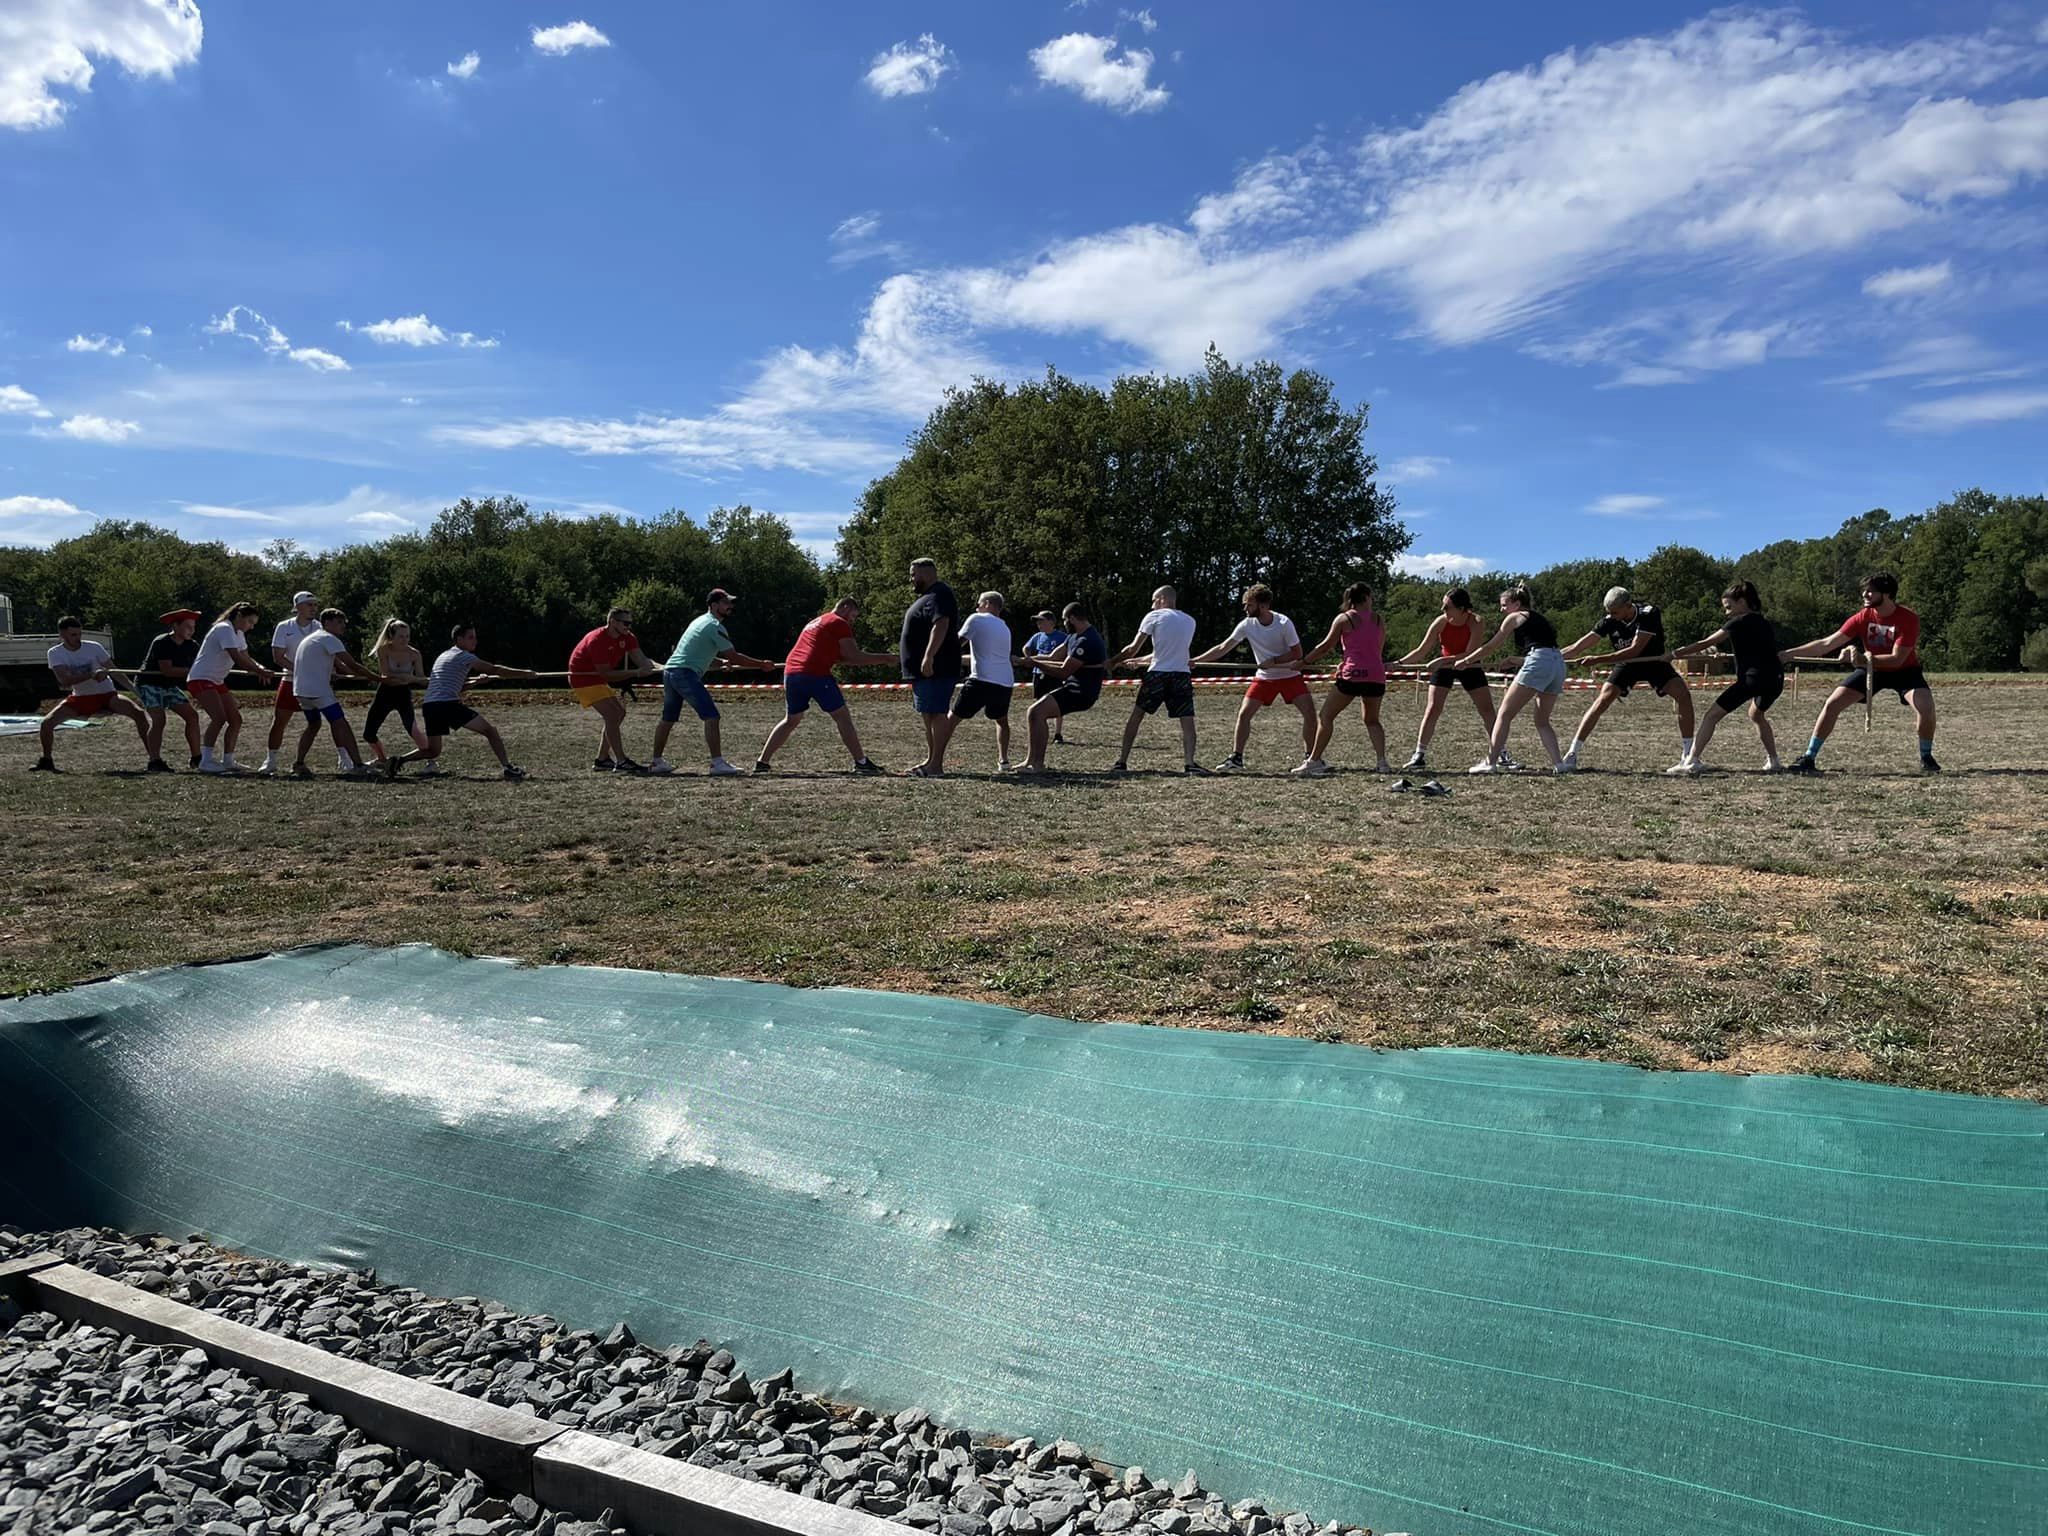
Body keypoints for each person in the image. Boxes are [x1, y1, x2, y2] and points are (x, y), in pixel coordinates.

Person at [1777, 572, 1940, 774]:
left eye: (1871, 591)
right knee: (1832, 704)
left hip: (1905, 671)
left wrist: (1861, 659)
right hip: (1871, 670)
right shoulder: (1863, 616)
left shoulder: (1908, 618)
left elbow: (1897, 658)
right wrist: (1788, 654)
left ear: (1887, 593)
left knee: (1926, 708)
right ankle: (1809, 757)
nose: (1865, 594)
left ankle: (1926, 757)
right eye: (1864, 590)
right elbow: (1827, 643)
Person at [1556, 587, 1694, 773]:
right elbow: (1578, 646)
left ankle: (1688, 755)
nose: (1611, 616)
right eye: (1609, 613)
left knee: (1683, 695)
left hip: (1653, 661)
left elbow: (1635, 650)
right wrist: (1552, 656)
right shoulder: (1609, 620)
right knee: (1602, 700)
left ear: (1628, 606)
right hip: (1626, 665)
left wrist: (1597, 660)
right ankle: (1572, 753)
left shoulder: (1649, 613)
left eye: (1615, 612)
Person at [754, 598, 895, 773]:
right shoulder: (838, 622)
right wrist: (887, 658)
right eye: (853, 616)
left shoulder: (817, 621)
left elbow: (843, 658)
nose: (852, 621)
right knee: (842, 717)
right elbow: (854, 656)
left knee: (791, 720)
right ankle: (861, 762)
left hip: (792, 673)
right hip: (815, 674)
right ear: (845, 607)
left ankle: (762, 762)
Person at [649, 588, 775, 777]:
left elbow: (699, 654)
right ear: (714, 605)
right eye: (726, 603)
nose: (730, 606)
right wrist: (761, 665)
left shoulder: (699, 622)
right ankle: (717, 763)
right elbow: (735, 656)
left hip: (670, 672)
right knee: (711, 716)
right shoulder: (715, 626)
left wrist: (721, 663)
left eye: (730, 602)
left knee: (668, 719)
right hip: (684, 673)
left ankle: (657, 762)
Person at [384, 624, 536, 780]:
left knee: (433, 751)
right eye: (471, 637)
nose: (475, 641)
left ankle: (399, 760)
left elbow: (454, 687)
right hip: (447, 705)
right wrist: (525, 674)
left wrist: (476, 682)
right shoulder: (465, 657)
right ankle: (508, 768)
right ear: (459, 639)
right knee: (490, 731)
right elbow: (495, 669)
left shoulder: (444, 656)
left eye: (475, 637)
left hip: (430, 706)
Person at [1664, 581, 1784, 774]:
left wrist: (1674, 654)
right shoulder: (1763, 622)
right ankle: (1774, 761)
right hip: (1775, 679)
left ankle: (1692, 760)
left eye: (1729, 607)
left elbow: (1706, 642)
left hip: (1752, 679)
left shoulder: (1737, 622)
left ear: (1742, 602)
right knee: (1756, 714)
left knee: (1711, 715)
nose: (1726, 612)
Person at [1192, 585, 1315, 773]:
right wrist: (1196, 661)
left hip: (1290, 675)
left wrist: (1274, 660)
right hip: (1264, 678)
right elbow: (1223, 647)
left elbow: (1297, 653)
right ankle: (1236, 759)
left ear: (1264, 606)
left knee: (1310, 714)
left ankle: (1311, 759)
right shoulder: (1247, 625)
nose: (1245, 609)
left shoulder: (1283, 623)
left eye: (1249, 605)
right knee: (1244, 714)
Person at [1457, 585, 1567, 773]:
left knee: (1504, 714)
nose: (1502, 609)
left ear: (1516, 604)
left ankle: (1490, 762)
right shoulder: (1539, 618)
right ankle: (1559, 764)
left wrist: (1466, 660)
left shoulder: (1515, 617)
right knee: (1542, 720)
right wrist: (1516, 660)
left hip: (1540, 661)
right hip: (1558, 664)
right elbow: (1545, 650)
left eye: (1504, 604)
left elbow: (1491, 646)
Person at [1392, 588, 1498, 771]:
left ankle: (1501, 752)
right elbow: (1421, 650)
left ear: (1462, 608)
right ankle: (1419, 755)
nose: (1443, 610)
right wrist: (1397, 663)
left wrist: (1443, 660)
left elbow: (1470, 654)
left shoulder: (1476, 622)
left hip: (1469, 665)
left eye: (1447, 606)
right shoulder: (1440, 622)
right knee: (1433, 708)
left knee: (1487, 709)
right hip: (1445, 667)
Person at [30, 617, 150, 771]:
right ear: (62, 635)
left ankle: (153, 757)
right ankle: (46, 760)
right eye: (73, 635)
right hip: (81, 698)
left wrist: (135, 690)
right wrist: (91, 675)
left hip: (107, 695)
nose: (77, 638)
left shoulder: (94, 647)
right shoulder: (55, 653)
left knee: (139, 714)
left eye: (79, 634)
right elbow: (65, 681)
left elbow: (115, 671)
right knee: (46, 724)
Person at [916, 591, 1015, 776]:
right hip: (1005, 682)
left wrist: (932, 657)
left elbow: (955, 643)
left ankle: (934, 762)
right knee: (1001, 721)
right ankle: (1004, 760)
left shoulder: (976, 619)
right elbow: (989, 655)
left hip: (981, 680)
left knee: (951, 720)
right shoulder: (1004, 628)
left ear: (986, 603)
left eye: (978, 604)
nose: (977, 607)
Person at [1109, 586, 1206, 774]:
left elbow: (1133, 648)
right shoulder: (1189, 621)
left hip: (1158, 675)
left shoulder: (1153, 617)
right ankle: (1190, 763)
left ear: (1162, 599)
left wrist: (1112, 662)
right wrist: (1137, 662)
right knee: (1187, 722)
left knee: (1136, 717)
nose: (1152, 605)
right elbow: (1162, 653)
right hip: (1181, 675)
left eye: (1154, 600)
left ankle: (1121, 762)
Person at [1297, 582, 1390, 776]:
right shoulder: (1379, 620)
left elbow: (1325, 647)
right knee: (1372, 721)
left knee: (1326, 716)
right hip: (1376, 675)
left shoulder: (1344, 619)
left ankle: (1314, 760)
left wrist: (1304, 661)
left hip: (1352, 676)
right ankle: (1382, 763)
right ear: (1365, 597)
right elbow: (1376, 650)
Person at [186, 602, 279, 774]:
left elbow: (245, 656)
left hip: (216, 680)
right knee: (219, 718)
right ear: (239, 616)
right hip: (201, 678)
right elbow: (235, 656)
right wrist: (259, 670)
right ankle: (205, 761)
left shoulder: (238, 633)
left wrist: (261, 669)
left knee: (235, 720)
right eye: (250, 622)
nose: (251, 627)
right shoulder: (224, 628)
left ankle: (228, 760)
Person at [1018, 602, 1110, 773]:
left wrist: (1033, 663)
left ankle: (1037, 765)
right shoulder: (1073, 636)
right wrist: (1024, 660)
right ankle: (1030, 761)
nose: (1064, 624)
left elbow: (1063, 671)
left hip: (1082, 693)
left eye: (1064, 620)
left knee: (1036, 712)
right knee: (1035, 713)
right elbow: (1053, 656)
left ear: (1072, 618)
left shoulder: (1087, 640)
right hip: (1072, 688)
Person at [288, 610, 381, 776]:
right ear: (327, 623)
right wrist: (376, 678)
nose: (343, 626)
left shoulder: (312, 638)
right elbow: (351, 663)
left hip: (301, 691)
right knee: (341, 724)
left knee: (314, 725)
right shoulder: (328, 638)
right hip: (318, 691)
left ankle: (299, 763)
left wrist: (340, 674)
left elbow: (326, 663)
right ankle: (358, 765)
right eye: (339, 622)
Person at [568, 606, 657, 773]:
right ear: (612, 622)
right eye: (625, 623)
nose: (628, 626)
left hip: (597, 679)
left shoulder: (628, 638)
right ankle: (621, 761)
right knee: (611, 715)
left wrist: (666, 667)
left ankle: (602, 760)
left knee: (619, 713)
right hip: (582, 678)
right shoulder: (597, 640)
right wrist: (636, 673)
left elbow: (643, 660)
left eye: (630, 623)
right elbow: (607, 673)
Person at [901, 558, 961, 770]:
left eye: (913, 574)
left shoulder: (940, 594)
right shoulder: (929, 597)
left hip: (938, 667)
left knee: (937, 713)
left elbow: (941, 624)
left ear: (926, 574)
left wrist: (929, 656)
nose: (911, 579)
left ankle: (936, 764)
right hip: (925, 671)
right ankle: (931, 759)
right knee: (928, 713)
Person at [260, 591, 323, 776]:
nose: (313, 608)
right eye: (309, 604)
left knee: (315, 722)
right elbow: (278, 657)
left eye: (314, 605)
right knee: (279, 721)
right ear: (297, 607)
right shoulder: (283, 626)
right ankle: (270, 760)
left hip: (312, 683)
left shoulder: (319, 627)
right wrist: (299, 669)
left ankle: (300, 762)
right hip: (289, 680)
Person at [137, 609, 204, 772]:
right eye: (188, 626)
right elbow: (167, 670)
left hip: (169, 686)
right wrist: (193, 671)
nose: (192, 630)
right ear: (175, 626)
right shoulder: (162, 642)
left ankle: (197, 758)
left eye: (193, 627)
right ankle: (154, 760)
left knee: (192, 716)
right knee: (159, 720)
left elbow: (198, 666)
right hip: (149, 684)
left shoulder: (192, 645)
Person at [362, 619, 429, 764]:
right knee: (368, 733)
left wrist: (409, 679)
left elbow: (422, 679)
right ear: (392, 636)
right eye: (401, 636)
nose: (404, 640)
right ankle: (381, 759)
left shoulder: (414, 654)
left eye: (407, 636)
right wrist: (406, 678)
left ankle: (431, 761)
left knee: (413, 730)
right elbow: (385, 675)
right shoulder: (383, 650)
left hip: (403, 694)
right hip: (385, 693)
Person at [1024, 611, 1069, 743]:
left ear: (1051, 622)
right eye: (1037, 621)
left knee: (1058, 702)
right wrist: (1027, 656)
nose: (1039, 624)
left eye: (1041, 621)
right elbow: (1026, 647)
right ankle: (1038, 731)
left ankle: (1058, 734)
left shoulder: (1062, 637)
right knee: (1038, 702)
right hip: (1038, 673)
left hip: (1055, 673)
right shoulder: (1037, 636)